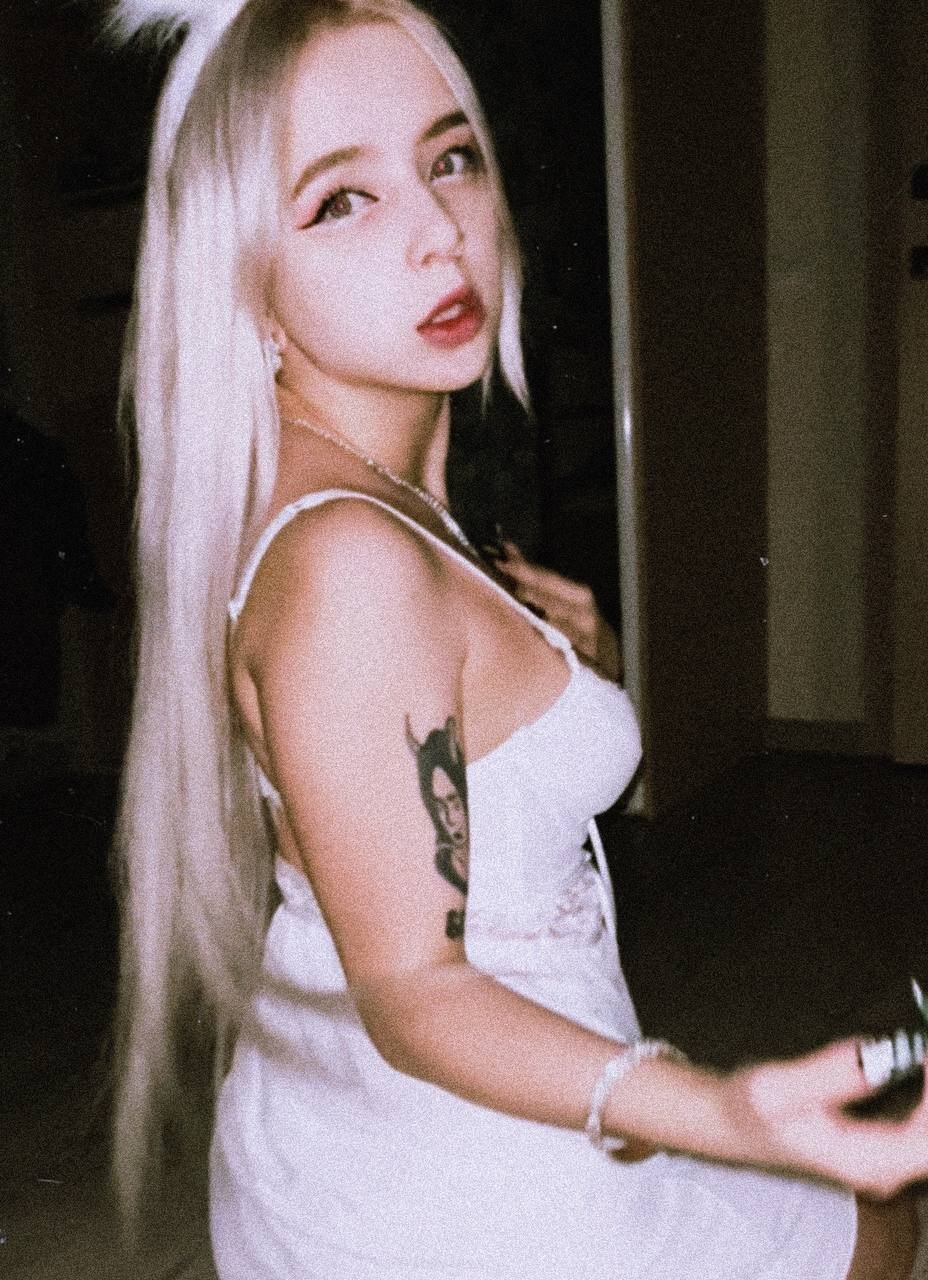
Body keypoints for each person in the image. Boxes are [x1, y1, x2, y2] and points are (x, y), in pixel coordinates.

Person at [110, 1, 926, 1276]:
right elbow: (416, 991)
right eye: (341, 200)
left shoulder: (341, 500)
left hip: (343, 1133)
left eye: (449, 159)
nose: (439, 229)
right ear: (242, 284)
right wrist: (722, 1109)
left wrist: (565, 678)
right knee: (881, 1226)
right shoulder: (352, 562)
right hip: (459, 1174)